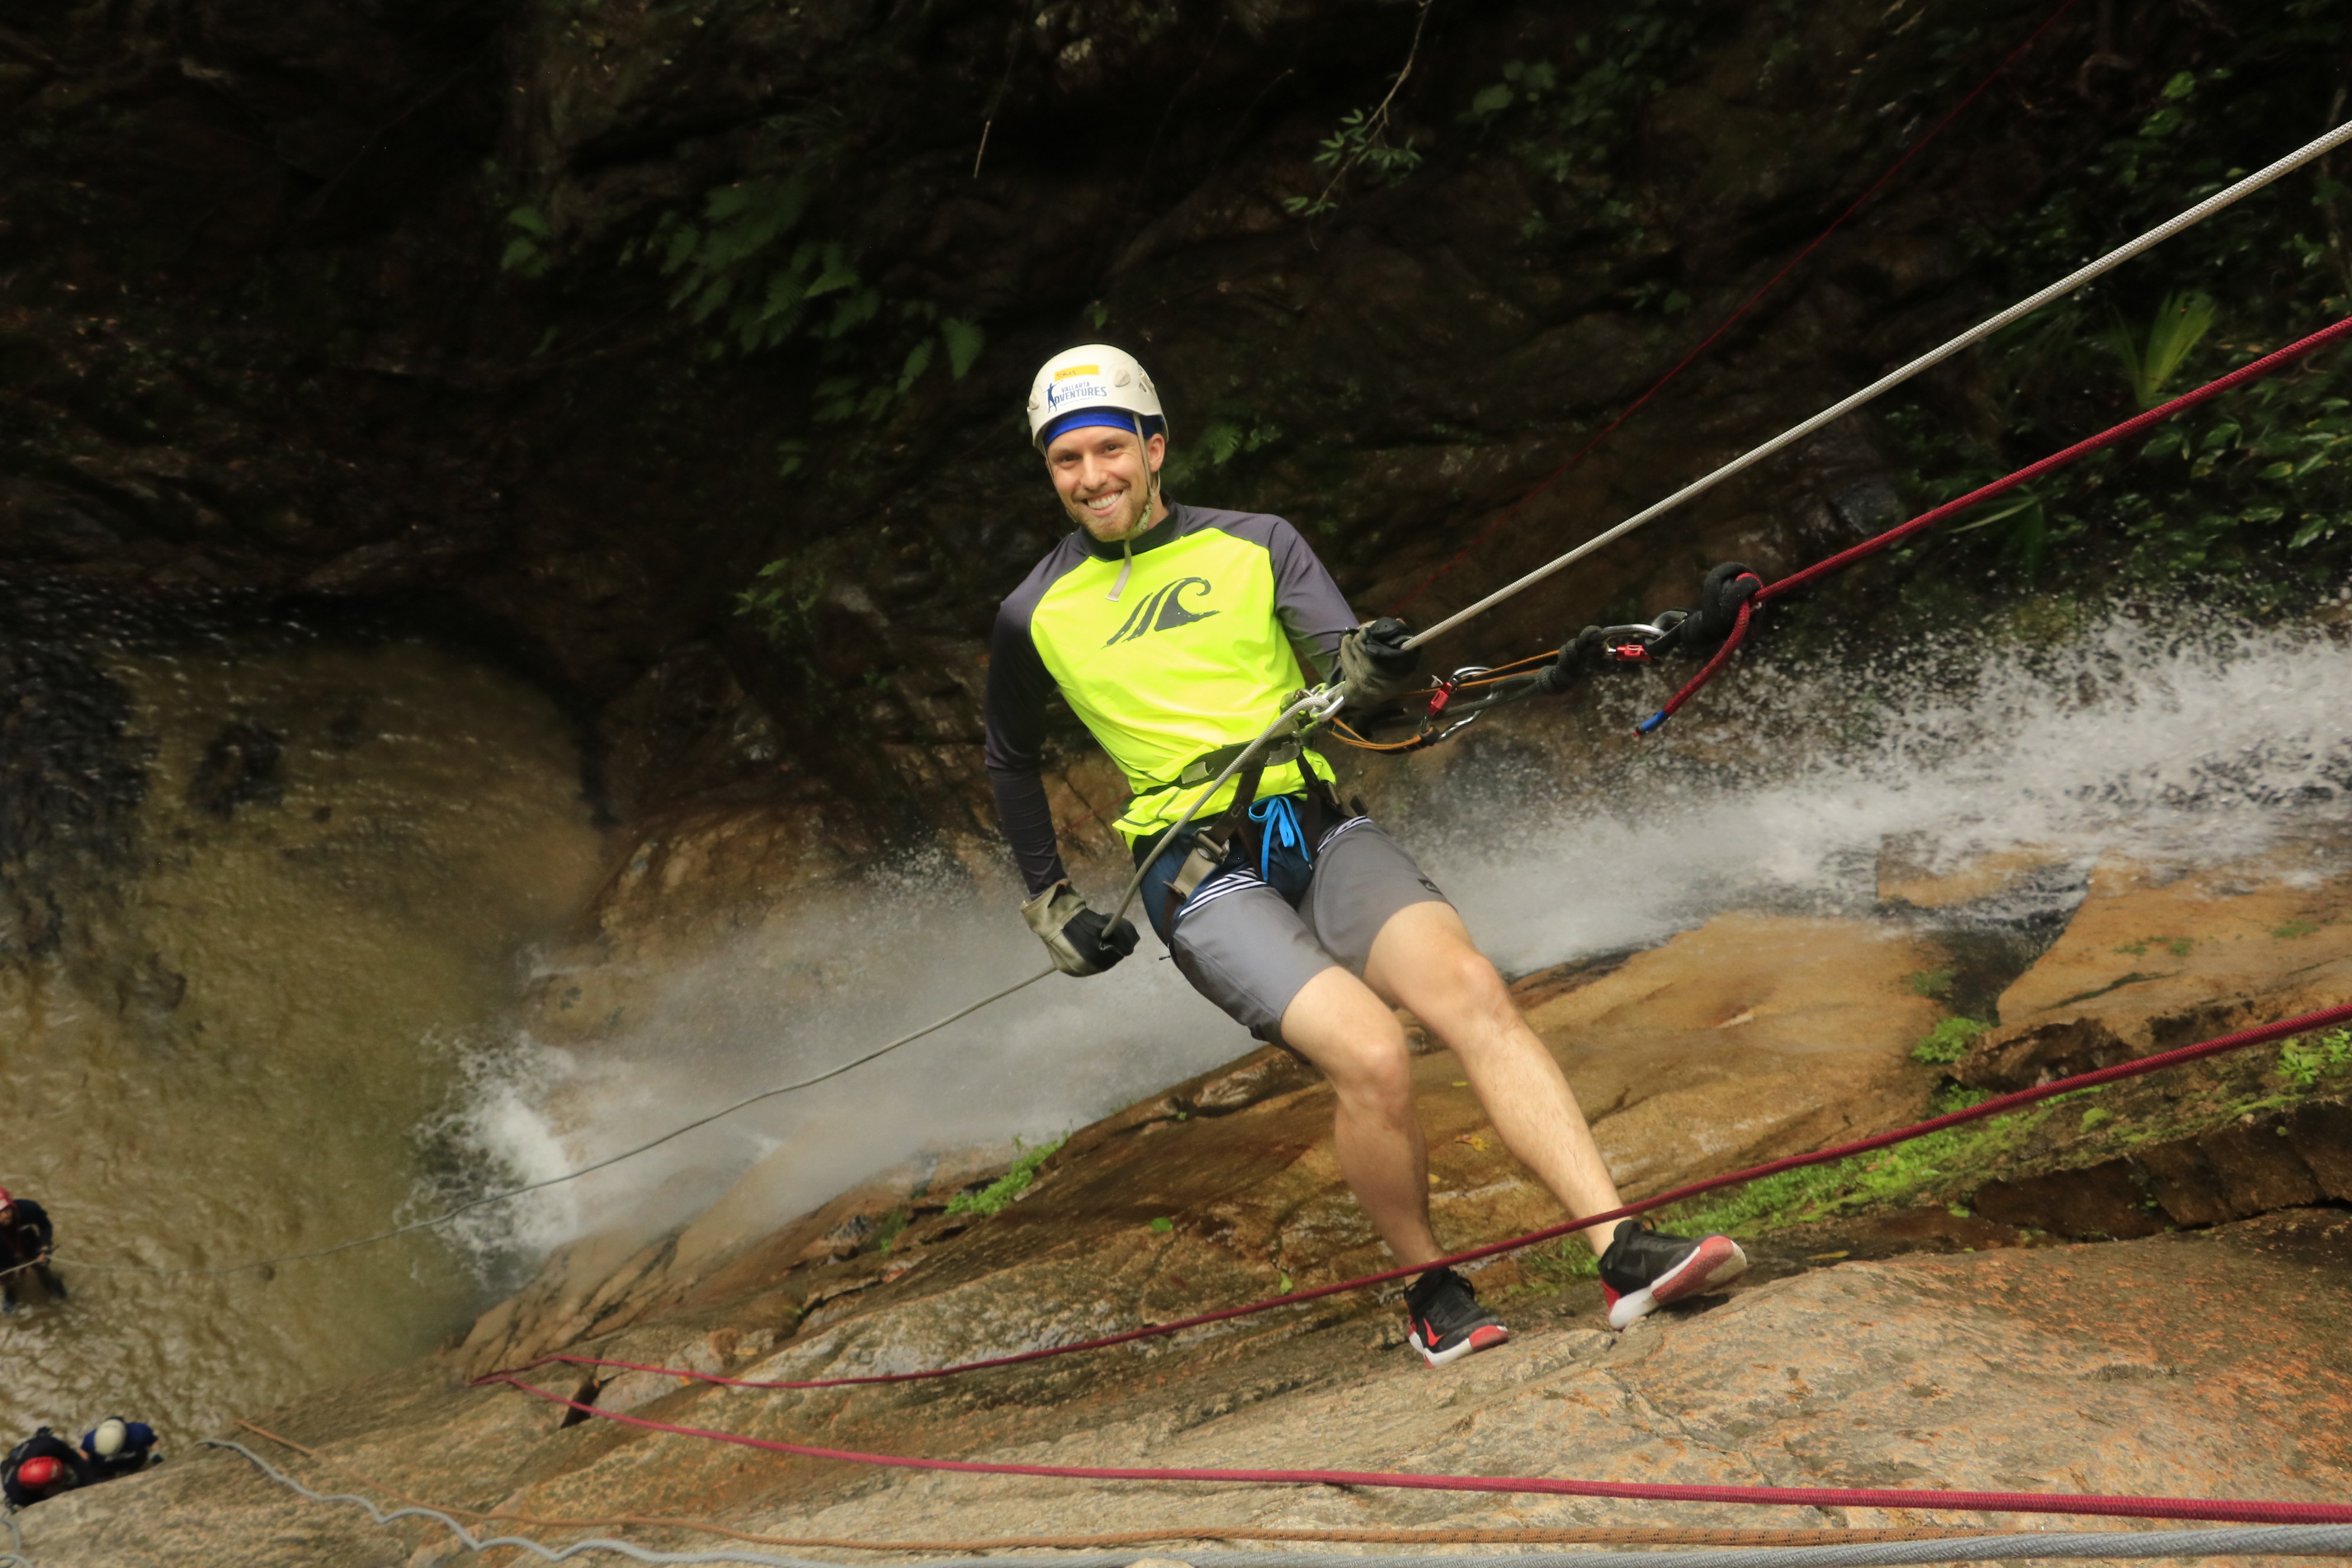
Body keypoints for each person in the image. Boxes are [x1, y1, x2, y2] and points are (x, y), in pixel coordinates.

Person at [984, 345, 1750, 1364]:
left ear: (1154, 447)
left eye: (1107, 450)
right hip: (1194, 868)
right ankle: (1426, 1287)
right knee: (1370, 1052)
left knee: (1470, 988)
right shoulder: (1032, 612)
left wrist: (1374, 666)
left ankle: (1620, 1252)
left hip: (1313, 822)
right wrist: (1047, 903)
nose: (1090, 478)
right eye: (1065, 461)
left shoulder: (1255, 545)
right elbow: (1007, 758)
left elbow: (1355, 679)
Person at [0, 1188, 66, 1317]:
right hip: (3, 1252)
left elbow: (45, 1225)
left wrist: (45, 1246)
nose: (5, 1216)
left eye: (7, 1209)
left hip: (28, 1243)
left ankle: (50, 1282)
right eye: (0, 1213)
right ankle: (11, 1293)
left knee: (42, 1266)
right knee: (5, 1277)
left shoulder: (28, 1209)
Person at [2, 1428, 89, 1509]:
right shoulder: (18, 1495)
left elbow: (76, 1459)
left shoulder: (49, 1445)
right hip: (15, 1466)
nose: (66, 1478)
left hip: (34, 1448)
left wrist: (89, 1482)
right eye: (61, 1480)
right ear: (41, 1490)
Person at [79, 1417, 160, 1482]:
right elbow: (83, 1454)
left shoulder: (140, 1433)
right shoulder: (90, 1440)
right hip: (103, 1469)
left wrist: (157, 1458)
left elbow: (155, 1445)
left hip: (134, 1463)